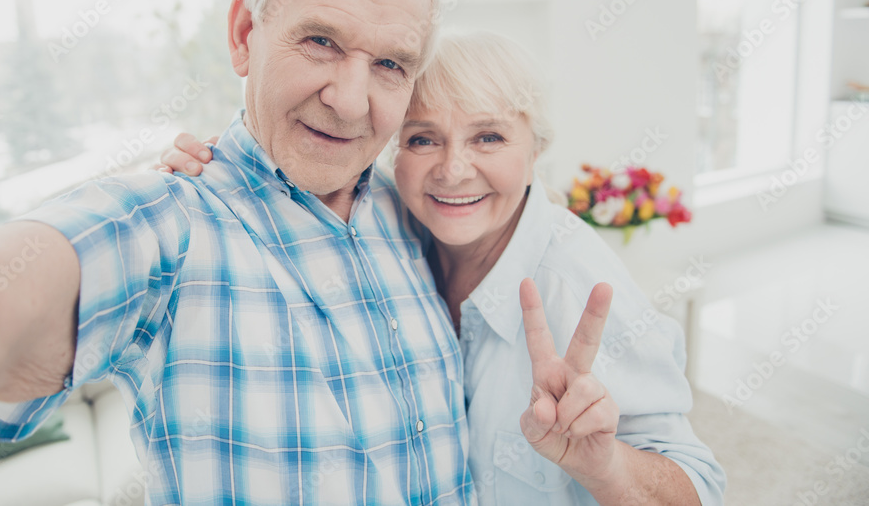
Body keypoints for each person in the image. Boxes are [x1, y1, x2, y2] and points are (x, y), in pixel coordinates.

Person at [0, 0, 475, 504]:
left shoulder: (418, 215)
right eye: (320, 41)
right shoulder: (163, 224)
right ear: (244, 34)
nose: (348, 101)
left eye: (390, 65)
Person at [161, 30, 727, 505]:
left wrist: (606, 466)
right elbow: (292, 182)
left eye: (489, 136)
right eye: (424, 138)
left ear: (535, 149)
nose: (453, 171)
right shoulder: (387, 219)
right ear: (393, 153)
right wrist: (214, 167)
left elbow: (700, 487)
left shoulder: (577, 285)